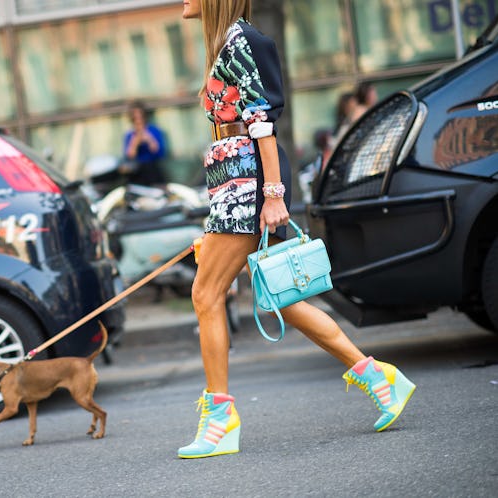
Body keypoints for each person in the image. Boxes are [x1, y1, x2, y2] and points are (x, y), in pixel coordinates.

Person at [178, 0, 416, 459]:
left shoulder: (242, 40)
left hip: (250, 182)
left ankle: (220, 419)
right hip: (235, 181)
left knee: (205, 295)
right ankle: (379, 378)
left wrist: (272, 196)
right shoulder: (227, 42)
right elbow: (237, 132)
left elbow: (261, 125)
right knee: (283, 296)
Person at [122, 100, 167, 186]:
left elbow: (160, 152)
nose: (138, 120)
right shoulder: (129, 135)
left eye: (140, 116)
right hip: (137, 172)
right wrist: (135, 143)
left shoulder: (154, 131)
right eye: (135, 117)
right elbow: (129, 156)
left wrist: (149, 140)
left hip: (153, 169)